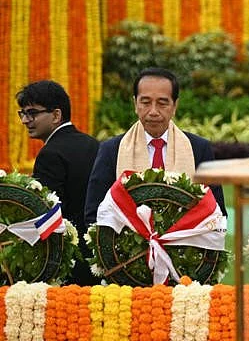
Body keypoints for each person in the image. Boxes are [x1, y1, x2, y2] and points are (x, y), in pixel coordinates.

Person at [85, 68, 226, 224]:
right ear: (135, 103)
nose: (153, 111)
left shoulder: (199, 148)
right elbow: (94, 214)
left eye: (162, 103)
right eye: (145, 103)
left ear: (175, 106)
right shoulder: (111, 150)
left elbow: (218, 214)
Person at [16, 80, 100, 285]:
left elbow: (44, 213)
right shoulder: (93, 143)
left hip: (66, 261)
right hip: (98, 254)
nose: (26, 120)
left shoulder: (50, 154)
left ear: (56, 115)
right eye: (23, 114)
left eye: (32, 113)